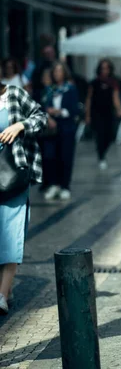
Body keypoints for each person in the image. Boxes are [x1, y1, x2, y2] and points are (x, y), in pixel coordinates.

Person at [0, 83, 47, 314]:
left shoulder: (14, 94)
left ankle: (2, 294)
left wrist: (21, 125)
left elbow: (41, 117)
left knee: (11, 231)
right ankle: (5, 290)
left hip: (13, 174)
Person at [41, 62, 80, 201]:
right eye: (55, 71)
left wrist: (58, 112)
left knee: (65, 156)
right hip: (51, 128)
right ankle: (53, 184)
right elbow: (42, 106)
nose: (57, 74)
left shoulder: (70, 89)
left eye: (60, 71)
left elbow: (74, 109)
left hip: (66, 126)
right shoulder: (49, 90)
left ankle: (65, 186)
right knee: (50, 156)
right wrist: (48, 115)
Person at [85, 59, 121, 170]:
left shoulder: (113, 82)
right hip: (96, 112)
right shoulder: (94, 83)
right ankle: (101, 156)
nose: (105, 70)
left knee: (110, 134)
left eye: (107, 68)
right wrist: (87, 115)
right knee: (100, 135)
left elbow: (115, 97)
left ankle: (103, 153)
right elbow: (89, 99)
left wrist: (119, 109)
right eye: (103, 68)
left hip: (108, 112)